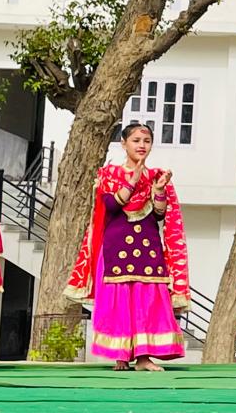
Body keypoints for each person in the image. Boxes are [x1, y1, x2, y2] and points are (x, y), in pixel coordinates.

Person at [65, 122, 188, 370]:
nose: (142, 145)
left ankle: (143, 358)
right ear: (123, 144)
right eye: (136, 140)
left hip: (148, 246)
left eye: (146, 141)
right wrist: (131, 182)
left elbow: (159, 215)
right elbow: (110, 207)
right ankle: (121, 355)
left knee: (147, 299)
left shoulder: (156, 176)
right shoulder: (109, 173)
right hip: (117, 245)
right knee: (120, 300)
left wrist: (160, 191)